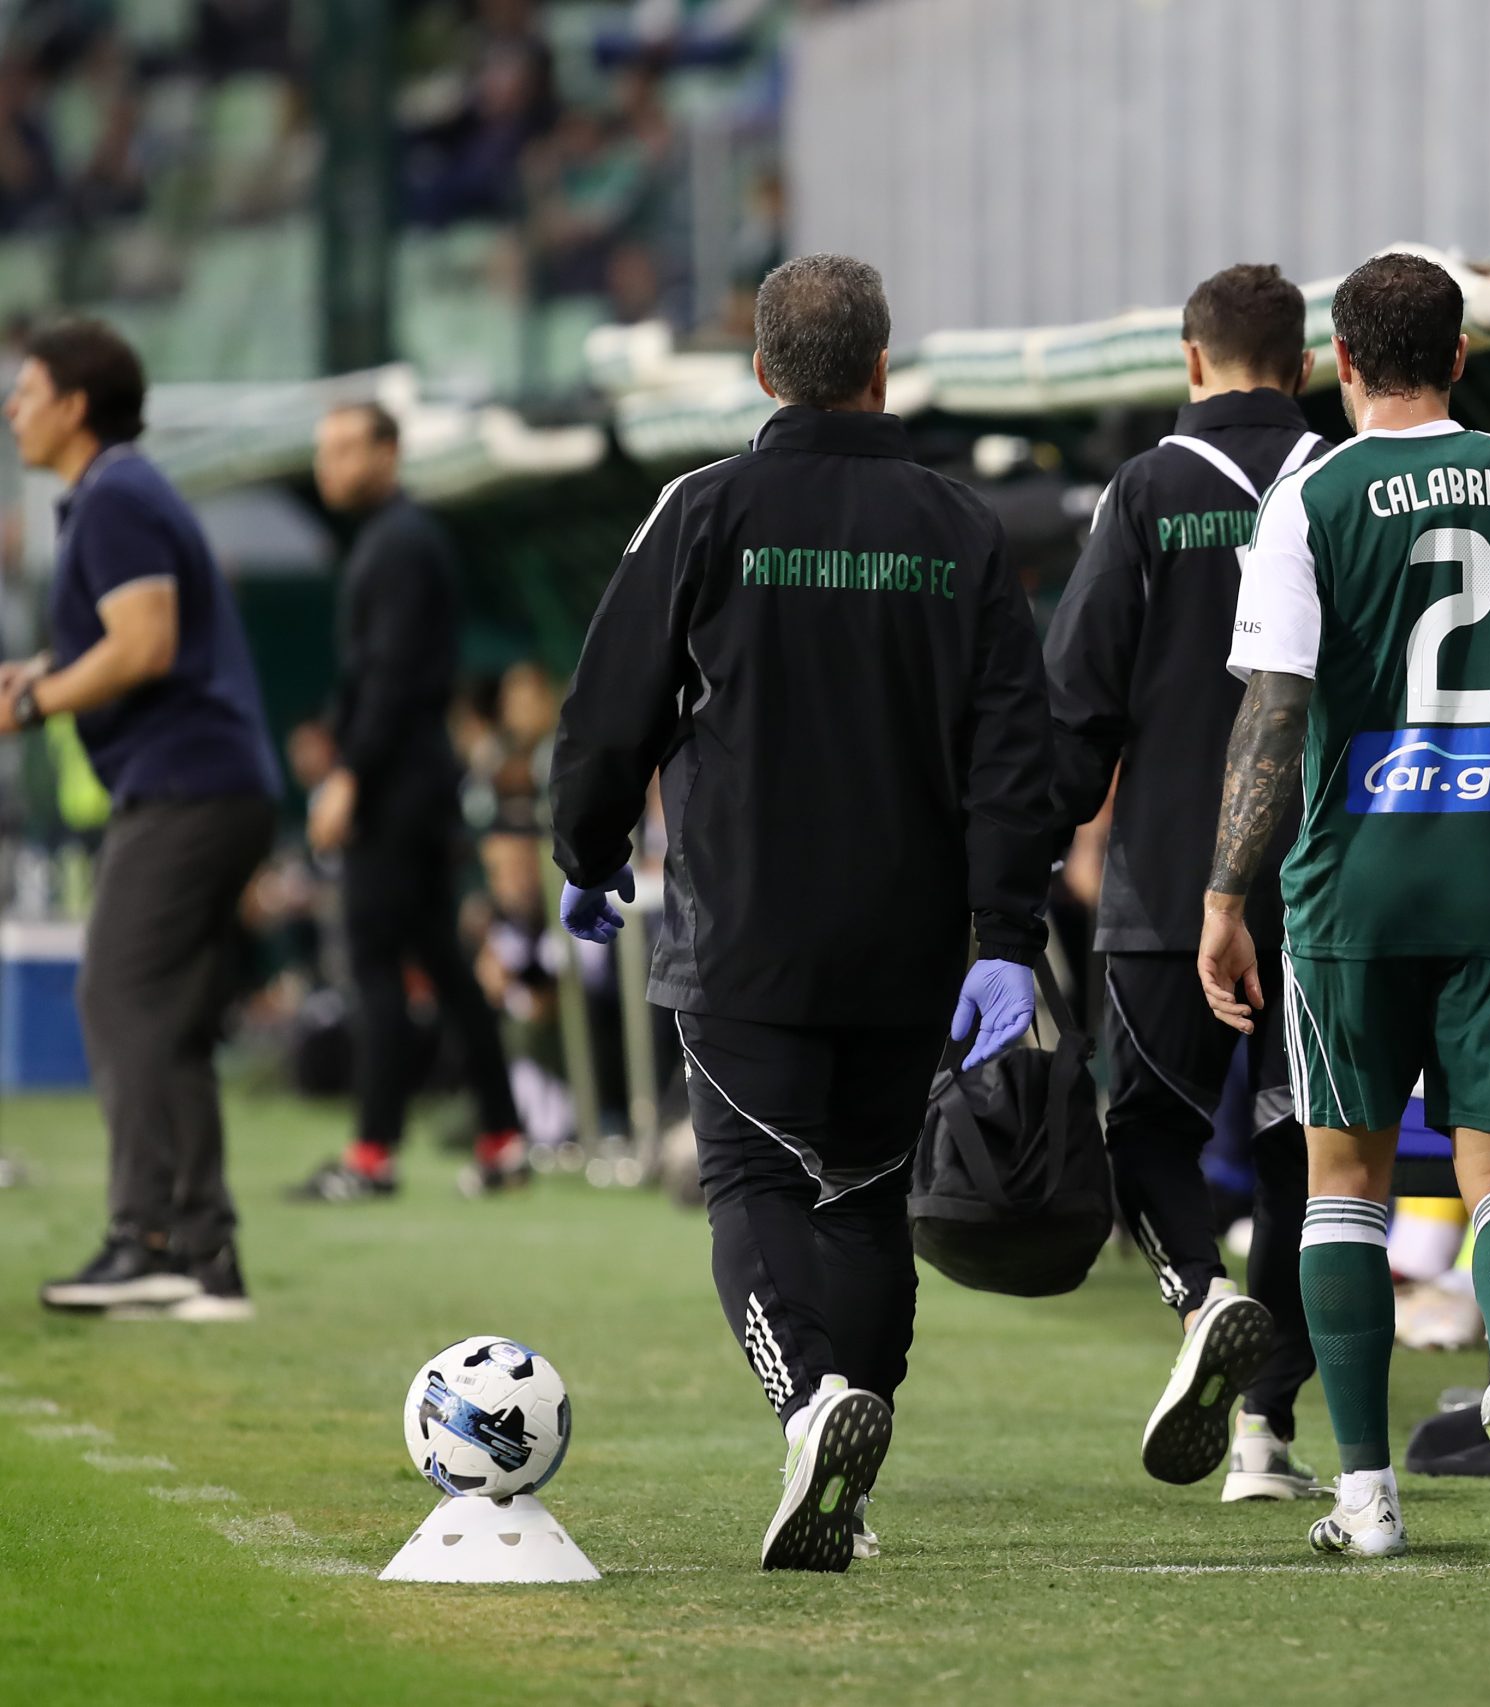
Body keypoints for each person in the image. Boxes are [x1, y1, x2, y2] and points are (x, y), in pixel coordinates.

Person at [547, 255, 1051, 1571]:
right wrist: (1005, 934)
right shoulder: (962, 527)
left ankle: (813, 1402)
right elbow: (1015, 754)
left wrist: (587, 852)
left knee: (754, 1182)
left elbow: (610, 716)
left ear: (762, 372)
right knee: (870, 1201)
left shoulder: (701, 511)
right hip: (911, 940)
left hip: (745, 932)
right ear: (883, 364)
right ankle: (854, 1465)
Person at [1198, 250, 1490, 1563]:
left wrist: (1228, 887)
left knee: (1346, 1183)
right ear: (1460, 357)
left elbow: (1275, 709)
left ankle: (1368, 1493)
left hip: (1351, 887)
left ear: (1341, 363)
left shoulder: (1312, 495)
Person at [1045, 262, 1330, 1501]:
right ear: (1309, 363)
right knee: (1312, 1159)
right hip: (1330, 883)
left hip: (1170, 881)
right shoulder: (1350, 483)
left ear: (1191, 359)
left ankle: (1200, 1296)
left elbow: (1078, 703)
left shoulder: (1147, 490)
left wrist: (1013, 863)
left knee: (1143, 1133)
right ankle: (1265, 1437)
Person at [4, 318, 280, 1319]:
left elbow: (147, 643)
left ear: (75, 405)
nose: (12, 409)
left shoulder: (114, 494)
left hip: (185, 789)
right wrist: (40, 674)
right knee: (167, 1021)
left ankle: (149, 1237)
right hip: (213, 783)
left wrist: (36, 701)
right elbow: (134, 643)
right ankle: (203, 1255)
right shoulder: (117, 495)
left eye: (26, 391)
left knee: (117, 998)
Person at [293, 402, 528, 1202]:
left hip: (394, 786)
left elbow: (392, 675)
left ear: (389, 452)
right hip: (414, 781)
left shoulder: (399, 542)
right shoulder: (393, 540)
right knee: (444, 968)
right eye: (325, 448)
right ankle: (503, 1138)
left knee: (375, 963)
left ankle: (372, 1155)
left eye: (347, 445)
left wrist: (351, 772)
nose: (330, 462)